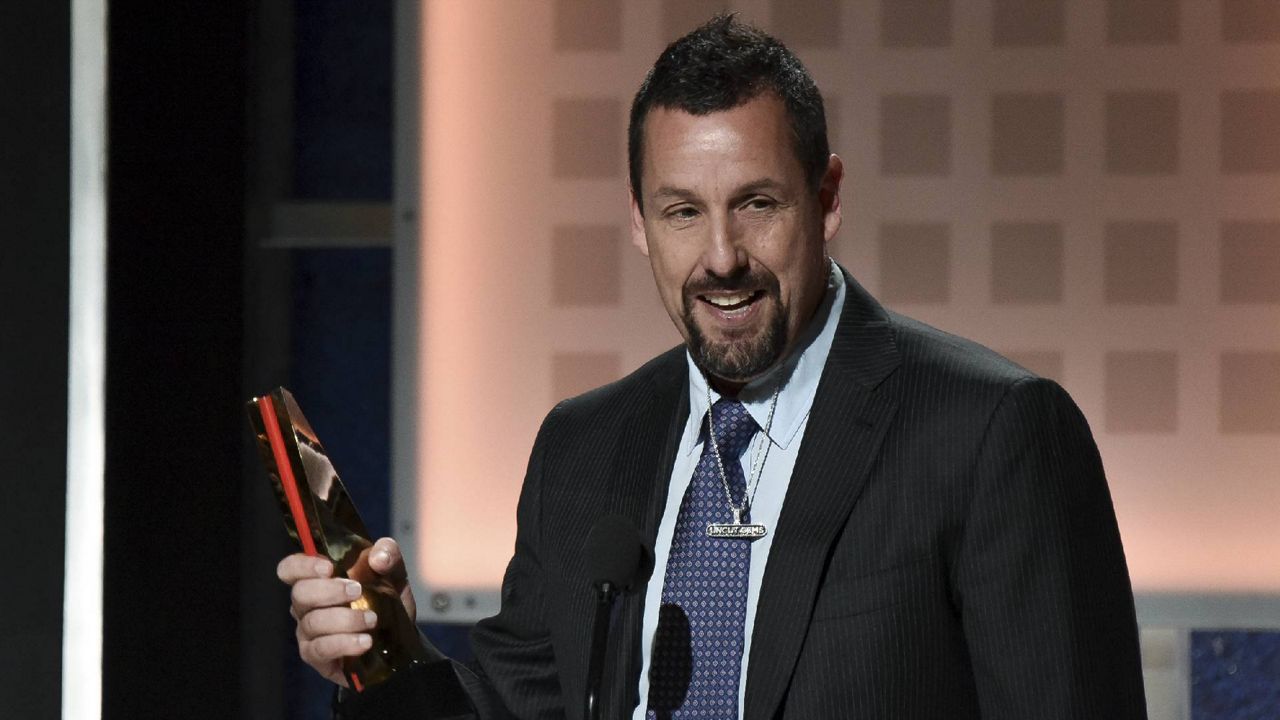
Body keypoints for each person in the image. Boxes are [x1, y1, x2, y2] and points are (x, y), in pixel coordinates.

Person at [278, 15, 1148, 719]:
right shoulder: (583, 447)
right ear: (638, 220)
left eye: (757, 204)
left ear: (829, 196)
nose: (721, 257)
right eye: (683, 212)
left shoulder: (992, 432)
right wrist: (383, 653)